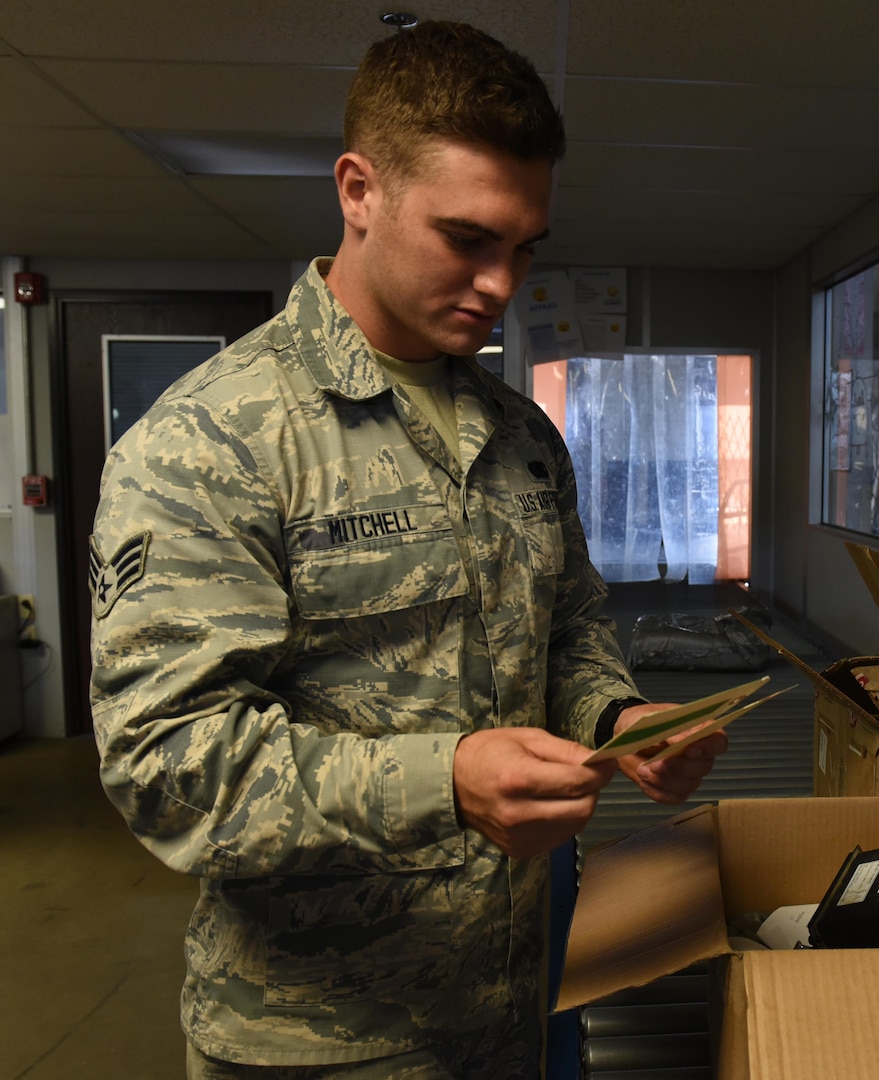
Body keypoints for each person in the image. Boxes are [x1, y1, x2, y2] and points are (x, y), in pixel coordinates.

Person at [88, 20, 726, 1078]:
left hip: (514, 1003)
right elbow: (169, 766)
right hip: (320, 1039)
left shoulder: (522, 439)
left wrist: (620, 718)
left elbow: (568, 635)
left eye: (525, 248)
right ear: (357, 190)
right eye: (468, 238)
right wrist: (447, 782)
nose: (501, 284)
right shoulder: (218, 438)